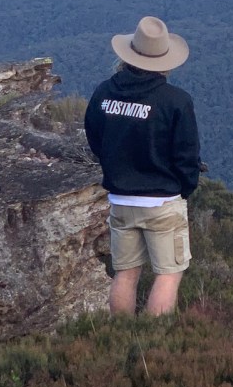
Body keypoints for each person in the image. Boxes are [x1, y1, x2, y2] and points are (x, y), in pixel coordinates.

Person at [84, 16, 200, 316]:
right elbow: (186, 155)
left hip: (120, 200)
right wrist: (185, 187)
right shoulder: (175, 101)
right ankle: (154, 339)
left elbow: (95, 139)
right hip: (162, 201)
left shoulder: (103, 93)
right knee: (168, 274)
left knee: (125, 273)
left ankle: (121, 334)